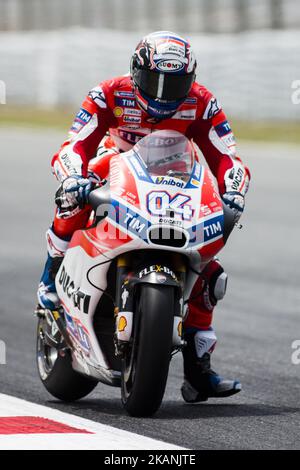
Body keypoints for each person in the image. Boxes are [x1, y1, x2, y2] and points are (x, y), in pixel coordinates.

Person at [37, 31, 250, 403]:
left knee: (209, 271)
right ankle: (50, 280)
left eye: (177, 83)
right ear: (136, 73)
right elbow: (74, 144)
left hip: (175, 177)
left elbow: (227, 156)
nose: (165, 94)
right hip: (114, 167)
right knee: (71, 198)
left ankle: (198, 373)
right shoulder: (108, 93)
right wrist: (73, 177)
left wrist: (234, 191)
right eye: (156, 81)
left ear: (192, 79)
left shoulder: (203, 103)